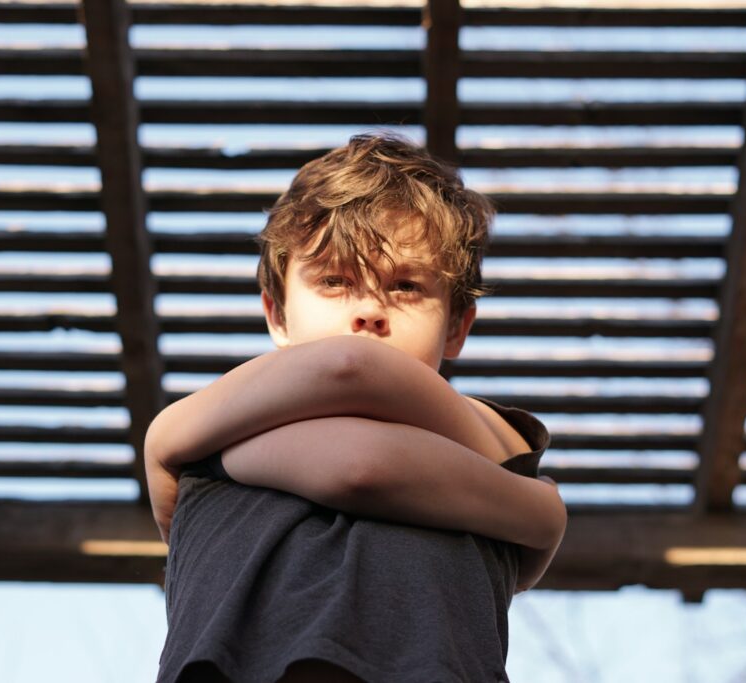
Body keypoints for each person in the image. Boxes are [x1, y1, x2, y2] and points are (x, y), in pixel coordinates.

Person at [144, 132, 567, 683]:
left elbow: (357, 438)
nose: (368, 311)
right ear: (277, 314)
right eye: (334, 280)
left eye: (407, 287)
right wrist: (543, 517)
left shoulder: (492, 438)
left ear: (457, 327)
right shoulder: (204, 438)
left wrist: (190, 447)